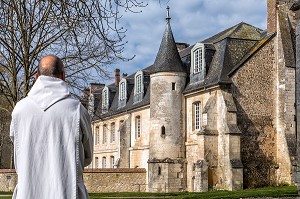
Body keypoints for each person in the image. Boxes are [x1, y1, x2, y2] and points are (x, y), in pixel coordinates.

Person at [10, 55, 93, 199]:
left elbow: (17, 147)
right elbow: (87, 156)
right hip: (67, 192)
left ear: (36, 76)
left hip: (28, 192)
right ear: (63, 75)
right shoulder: (76, 110)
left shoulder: (19, 110)